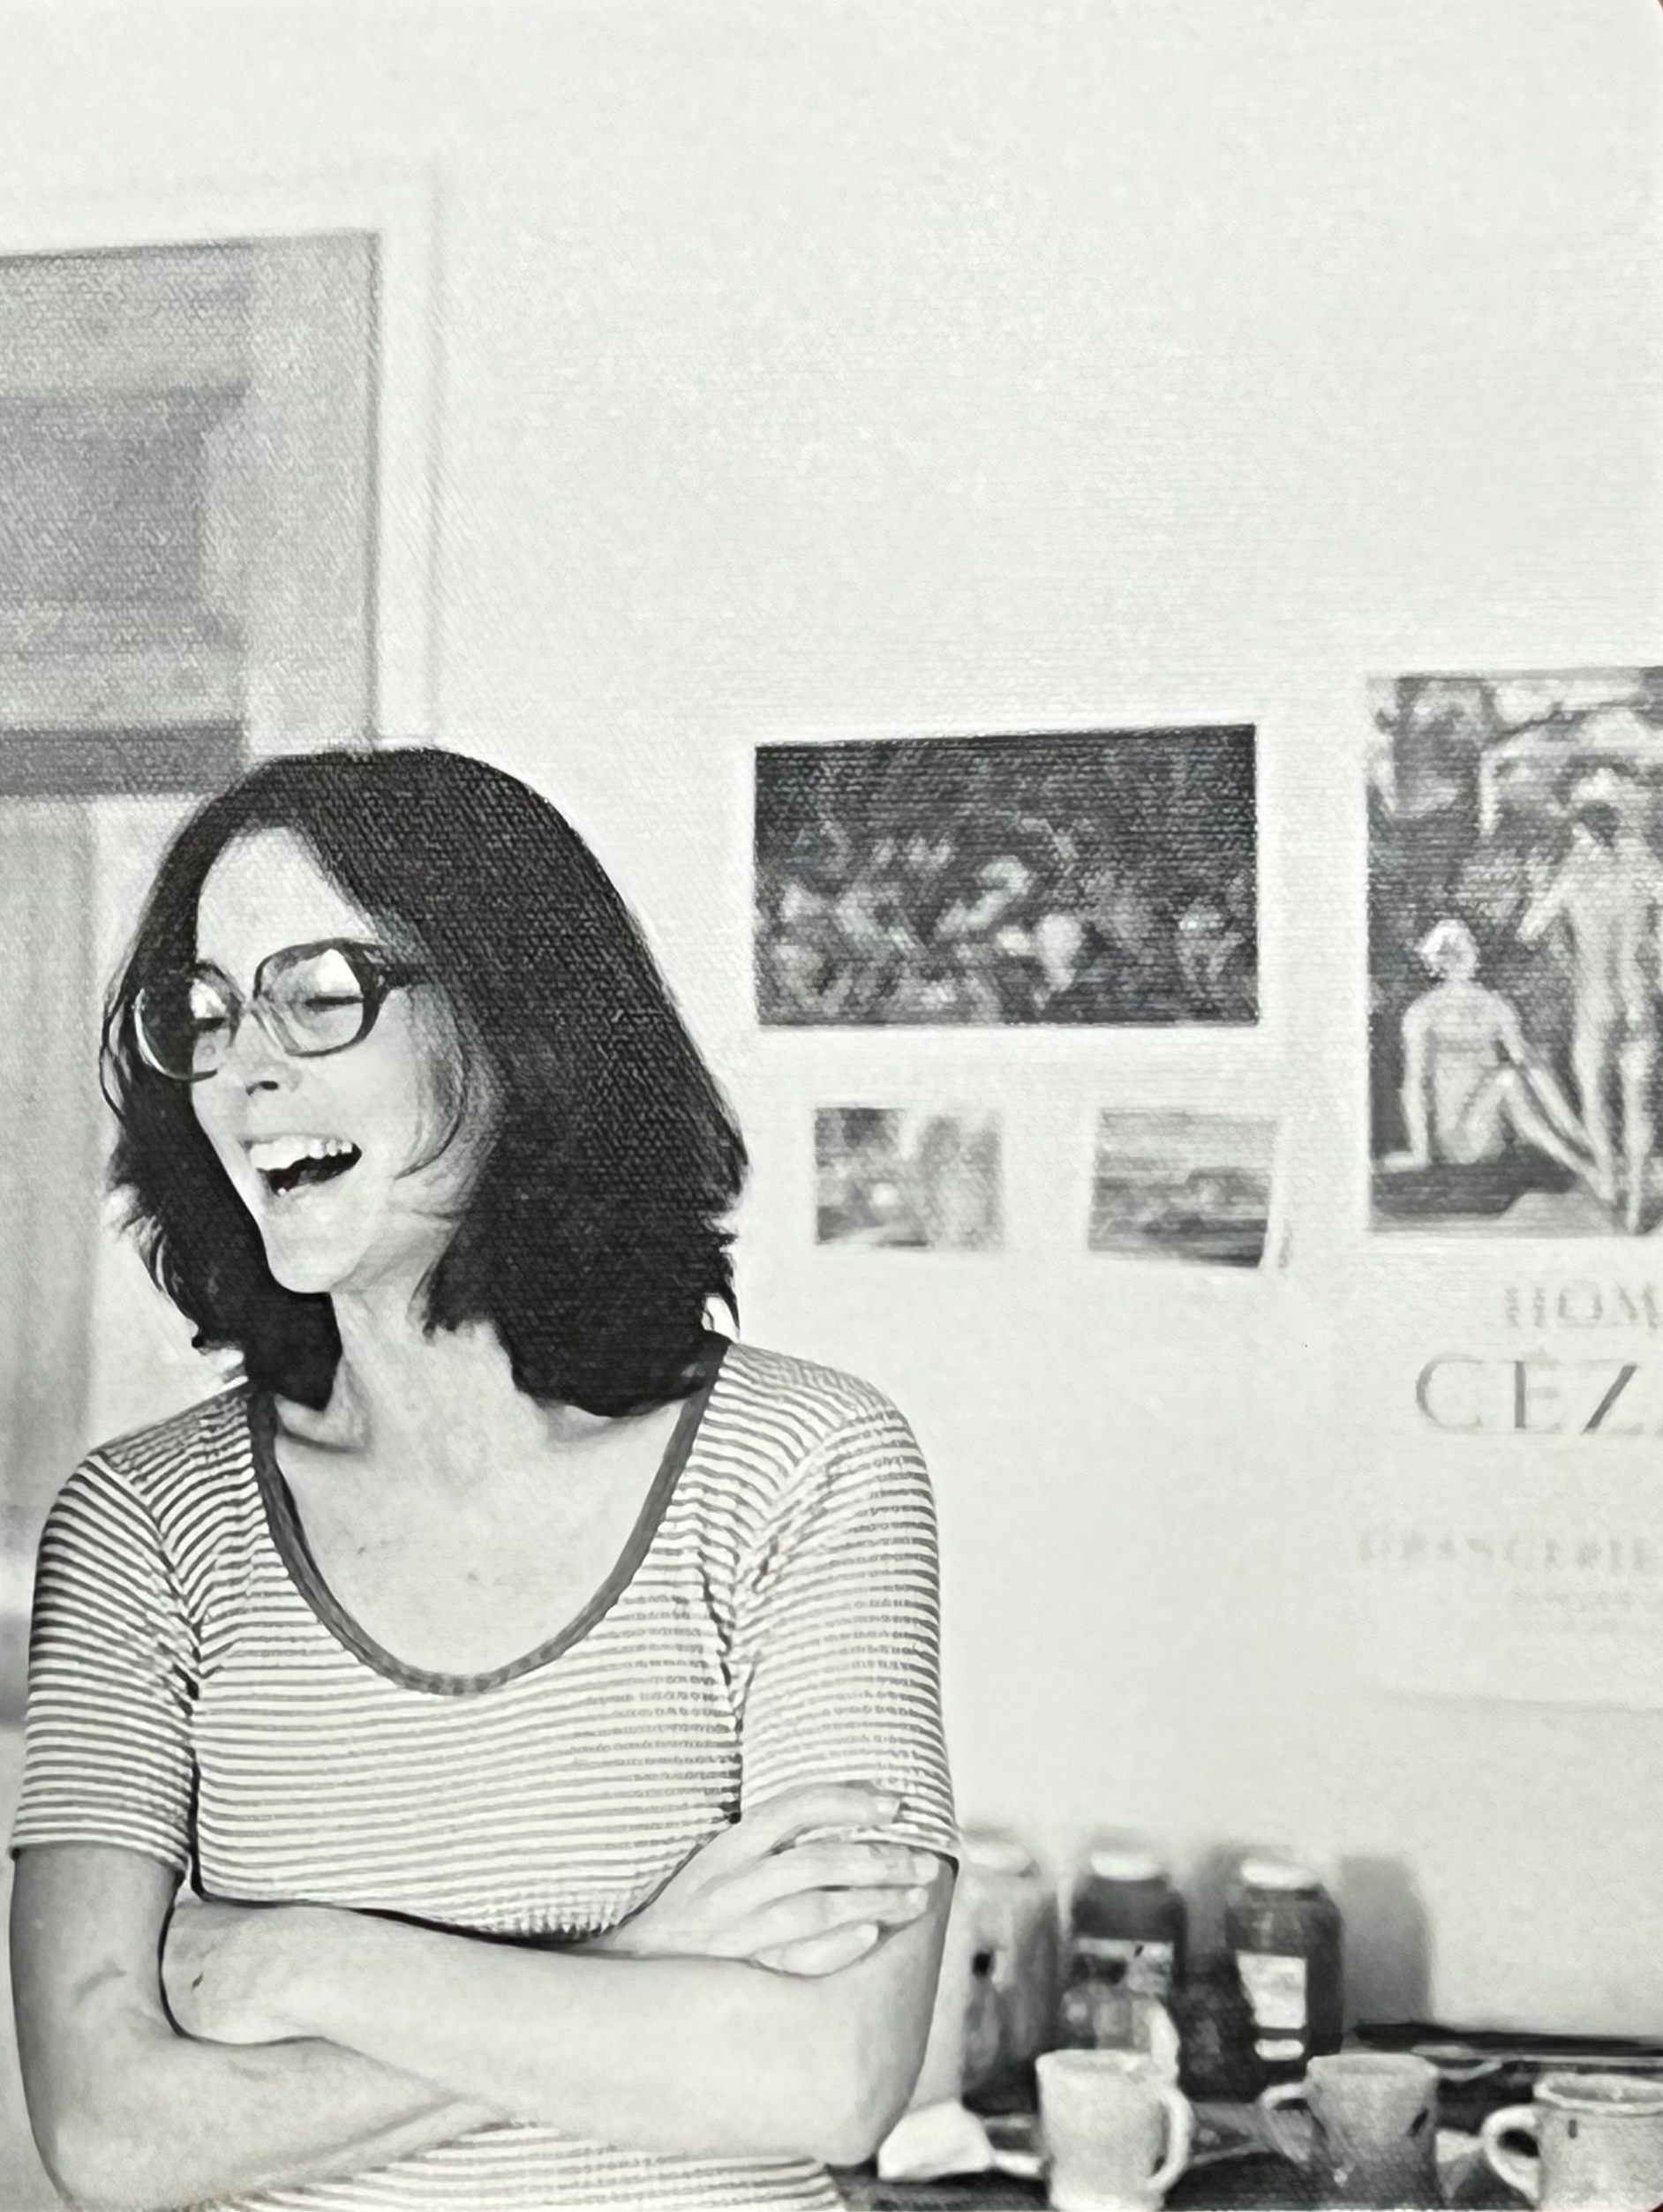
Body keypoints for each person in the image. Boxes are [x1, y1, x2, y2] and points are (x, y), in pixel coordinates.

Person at [11, 747, 956, 2212]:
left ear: (518, 1021)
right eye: (203, 1014)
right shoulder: (143, 1528)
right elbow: (112, 2137)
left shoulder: (804, 1470)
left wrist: (300, 1962)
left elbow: (826, 2072)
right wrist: (636, 1966)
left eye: (319, 994)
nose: (246, 1070)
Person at [1517, 798, 1663, 1231]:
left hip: (1594, 999)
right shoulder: (1642, 871)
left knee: (1597, 1096)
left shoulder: (1574, 873)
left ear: (1583, 832)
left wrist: (1538, 884)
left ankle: (1609, 1185)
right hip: (1637, 996)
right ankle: (1638, 1199)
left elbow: (1529, 930)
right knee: (1639, 1105)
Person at [1385, 916, 1595, 1197]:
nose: (1463, 957)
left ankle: (1578, 1139)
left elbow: (1530, 1066)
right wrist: (1420, 1152)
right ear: (1439, 961)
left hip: (1490, 1131)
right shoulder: (1422, 1013)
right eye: (1453, 952)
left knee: (1520, 1071)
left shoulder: (1496, 1005)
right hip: (1454, 1139)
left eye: (1466, 948)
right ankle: (1584, 1166)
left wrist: (1569, 1122)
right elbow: (1414, 1085)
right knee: (1508, 1078)